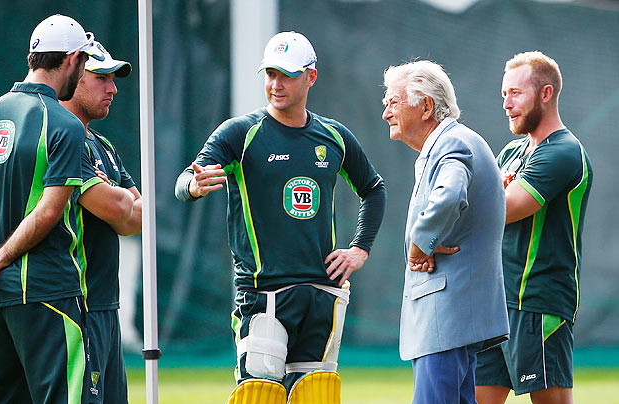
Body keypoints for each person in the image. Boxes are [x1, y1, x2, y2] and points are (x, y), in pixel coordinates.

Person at [175, 31, 386, 403]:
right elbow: (186, 178)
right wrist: (193, 185)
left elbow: (373, 188)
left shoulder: (334, 136)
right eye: (270, 74)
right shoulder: (240, 132)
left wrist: (360, 248)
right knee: (260, 395)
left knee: (316, 395)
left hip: (323, 291)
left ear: (311, 77)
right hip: (263, 293)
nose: (276, 84)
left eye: (286, 75)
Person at [0, 14, 103, 404]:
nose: (84, 70)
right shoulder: (64, 124)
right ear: (72, 59)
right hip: (49, 292)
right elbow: (49, 210)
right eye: (85, 63)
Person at [381, 60, 509, 404]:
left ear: (425, 107)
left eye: (393, 102)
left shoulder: (452, 142)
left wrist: (420, 243)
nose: (386, 113)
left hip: (445, 317)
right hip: (452, 318)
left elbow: (450, 194)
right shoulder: (450, 143)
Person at [475, 51, 593, 404]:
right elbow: (482, 203)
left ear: (545, 94)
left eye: (516, 93)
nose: (507, 104)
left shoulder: (564, 151)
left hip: (539, 304)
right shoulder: (512, 150)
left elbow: (501, 208)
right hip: (497, 303)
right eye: (503, 95)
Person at [61, 41, 141, 404]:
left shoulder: (104, 146)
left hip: (107, 307)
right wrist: (119, 202)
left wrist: (119, 202)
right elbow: (118, 210)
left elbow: (136, 220)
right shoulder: (64, 137)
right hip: (77, 307)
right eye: (102, 78)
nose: (113, 88)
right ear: (75, 76)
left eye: (113, 78)